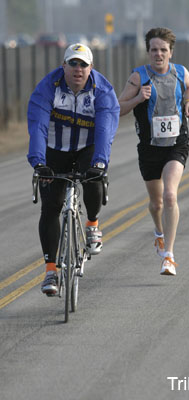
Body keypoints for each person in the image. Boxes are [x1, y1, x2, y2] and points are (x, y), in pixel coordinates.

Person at [27, 43, 120, 295]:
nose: (78, 69)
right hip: (54, 150)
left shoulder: (103, 91)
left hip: (87, 148)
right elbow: (37, 126)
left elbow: (105, 129)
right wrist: (38, 163)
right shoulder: (48, 88)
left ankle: (92, 224)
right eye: (73, 63)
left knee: (94, 181)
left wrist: (100, 163)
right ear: (63, 66)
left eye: (83, 64)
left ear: (91, 68)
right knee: (51, 206)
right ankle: (50, 272)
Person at [118, 27, 189, 276]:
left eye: (163, 50)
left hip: (177, 144)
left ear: (171, 52)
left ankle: (169, 256)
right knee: (156, 203)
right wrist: (138, 99)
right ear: (148, 52)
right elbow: (118, 108)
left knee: (170, 196)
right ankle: (159, 233)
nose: (158, 54)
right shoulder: (138, 77)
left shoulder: (181, 72)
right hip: (150, 149)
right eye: (154, 50)